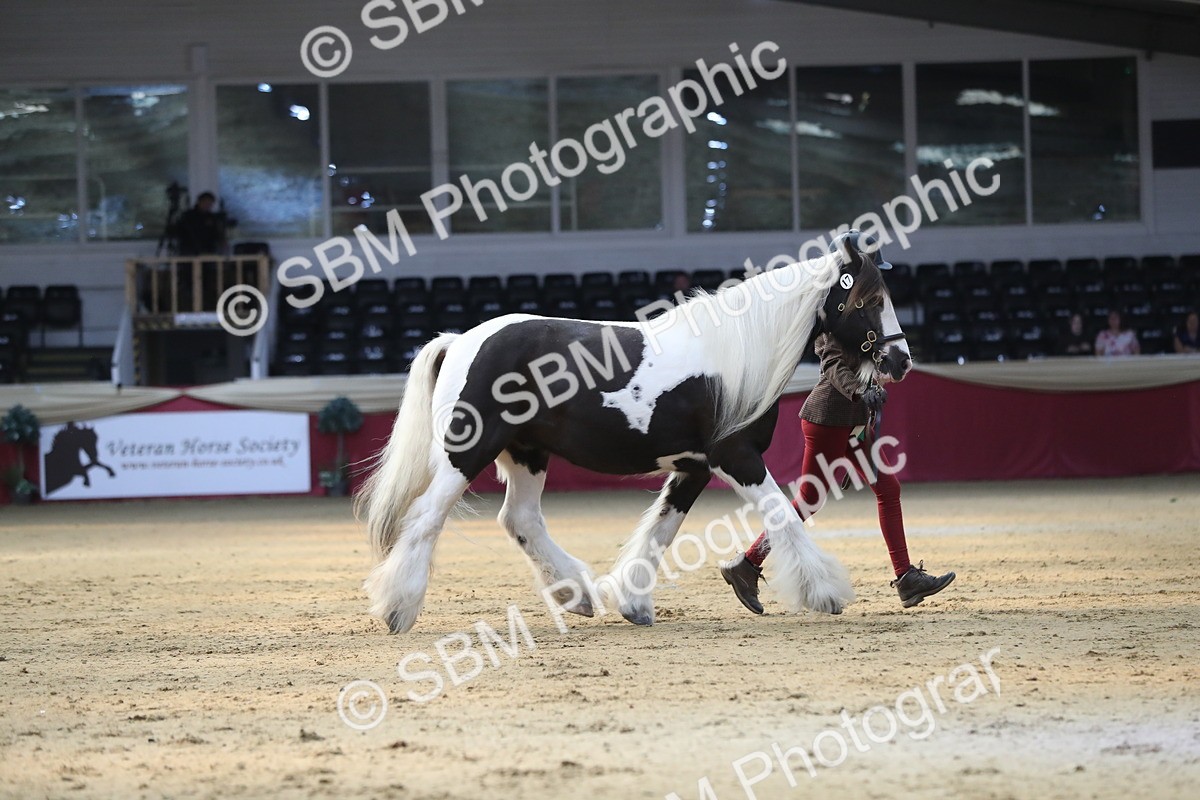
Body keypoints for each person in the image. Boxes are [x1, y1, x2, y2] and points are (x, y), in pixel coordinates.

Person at [718, 301, 955, 613]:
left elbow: (867, 366)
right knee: (808, 502)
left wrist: (877, 383)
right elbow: (833, 368)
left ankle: (906, 577)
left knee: (888, 489)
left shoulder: (866, 325)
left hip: (856, 423)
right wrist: (861, 390)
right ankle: (747, 564)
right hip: (828, 419)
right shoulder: (835, 327)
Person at [175, 191, 225, 256]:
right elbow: (182, 232)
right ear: (199, 202)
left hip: (208, 251)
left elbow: (216, 233)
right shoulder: (188, 216)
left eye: (210, 204)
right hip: (189, 251)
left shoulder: (212, 218)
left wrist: (221, 241)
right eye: (205, 203)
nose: (207, 206)